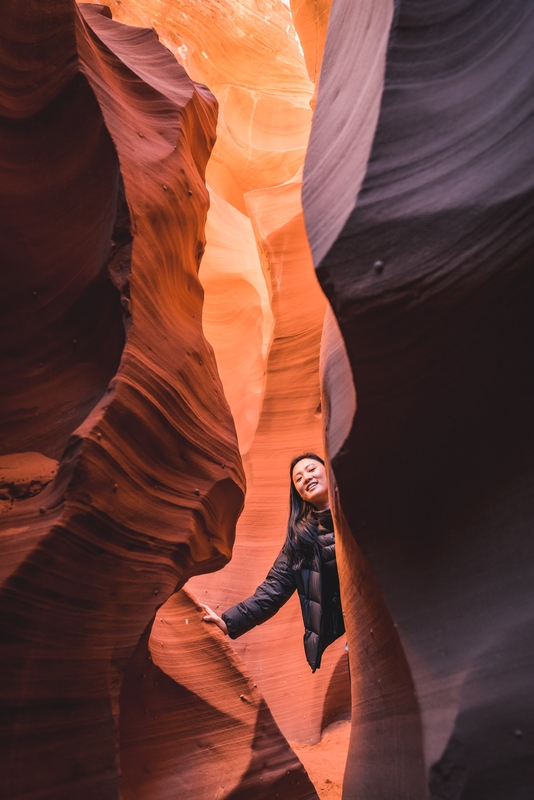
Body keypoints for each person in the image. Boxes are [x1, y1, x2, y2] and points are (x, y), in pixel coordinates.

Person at [200, 453, 344, 672]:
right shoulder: (301, 539)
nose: (306, 477)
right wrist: (228, 623)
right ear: (299, 495)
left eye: (312, 469)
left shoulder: (358, 506)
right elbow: (273, 589)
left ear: (328, 470)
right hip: (354, 624)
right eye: (298, 478)